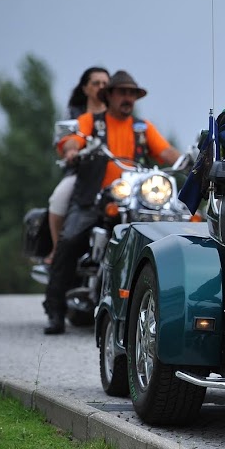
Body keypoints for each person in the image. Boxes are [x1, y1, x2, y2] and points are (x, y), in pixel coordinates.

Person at [43, 70, 181, 334]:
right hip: (94, 197)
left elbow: (166, 151)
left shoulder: (143, 128)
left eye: (132, 93)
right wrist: (72, 150)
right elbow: (72, 139)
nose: (128, 98)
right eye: (123, 93)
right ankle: (55, 310)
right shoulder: (90, 122)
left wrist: (192, 160)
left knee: (171, 231)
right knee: (70, 239)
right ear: (109, 96)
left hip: (134, 200)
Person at [44, 67, 110, 265]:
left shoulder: (116, 115)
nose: (101, 87)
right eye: (96, 83)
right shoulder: (76, 115)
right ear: (85, 88)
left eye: (105, 84)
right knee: (58, 199)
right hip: (83, 173)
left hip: (115, 175)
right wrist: (71, 151)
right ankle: (58, 250)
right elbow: (66, 141)